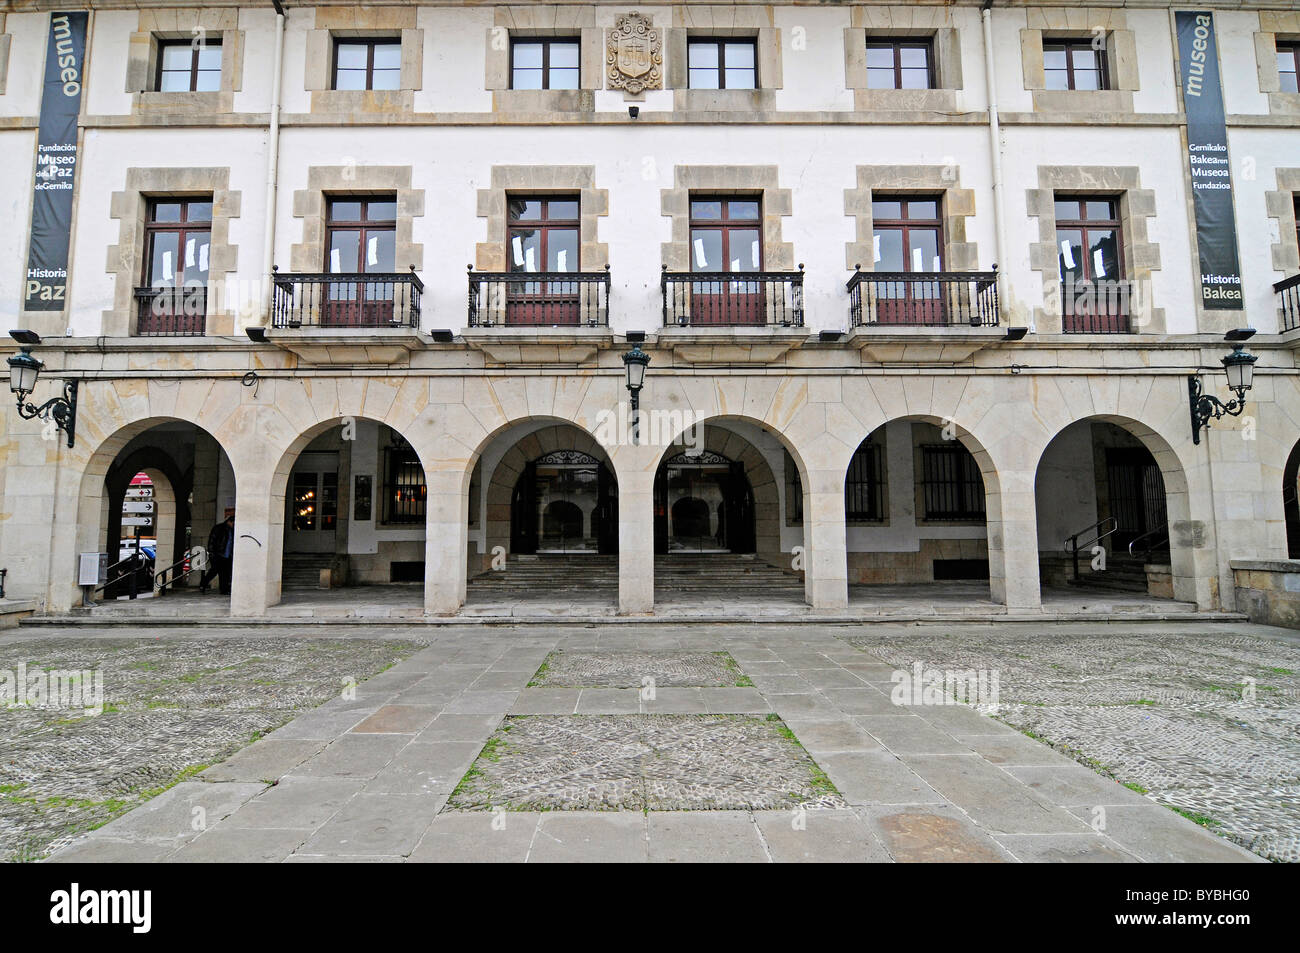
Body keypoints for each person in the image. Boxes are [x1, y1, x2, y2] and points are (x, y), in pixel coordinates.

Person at [200, 514, 235, 595]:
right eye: (233, 523)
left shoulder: (232, 530)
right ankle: (203, 584)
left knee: (225, 573)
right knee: (214, 571)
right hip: (218, 554)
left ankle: (224, 589)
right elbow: (212, 541)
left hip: (227, 555)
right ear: (229, 522)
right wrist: (211, 553)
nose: (234, 525)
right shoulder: (219, 528)